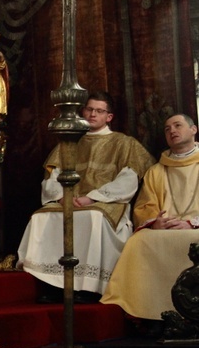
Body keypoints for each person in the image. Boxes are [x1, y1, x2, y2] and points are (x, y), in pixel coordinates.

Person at [16, 91, 154, 302]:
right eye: (89, 109)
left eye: (99, 111)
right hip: (69, 200)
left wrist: (92, 198)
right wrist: (62, 197)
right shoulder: (69, 143)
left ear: (109, 117)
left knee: (92, 218)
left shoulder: (124, 143)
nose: (92, 114)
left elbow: (128, 180)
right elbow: (53, 176)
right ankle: (50, 285)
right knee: (41, 217)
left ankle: (88, 288)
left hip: (105, 203)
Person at [101, 114, 199, 324]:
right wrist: (155, 222)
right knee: (139, 241)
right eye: (167, 128)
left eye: (177, 125)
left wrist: (190, 223)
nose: (172, 131)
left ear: (193, 130)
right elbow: (144, 205)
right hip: (166, 228)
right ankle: (147, 313)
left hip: (195, 226)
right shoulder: (156, 171)